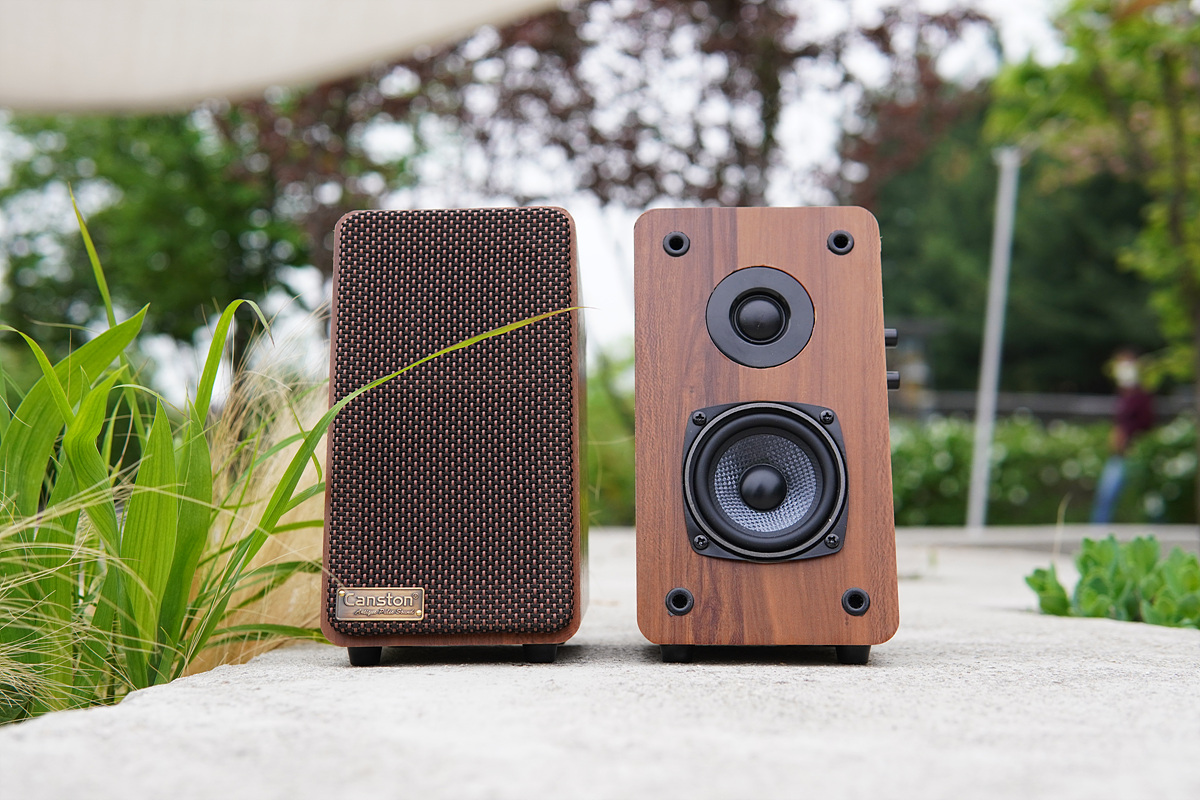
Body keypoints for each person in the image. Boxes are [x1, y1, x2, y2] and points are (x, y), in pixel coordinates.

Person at [1090, 349, 1155, 524]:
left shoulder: (1141, 396)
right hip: (1118, 455)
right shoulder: (1122, 396)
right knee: (1105, 497)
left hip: (1135, 454)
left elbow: (1147, 424)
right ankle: (1099, 531)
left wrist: (1129, 437)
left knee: (1148, 499)